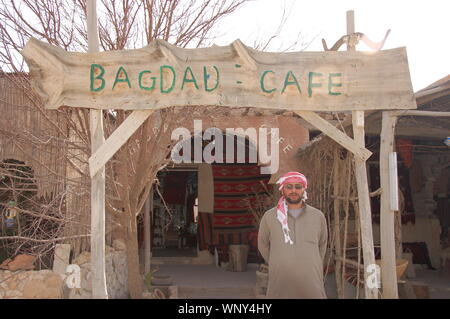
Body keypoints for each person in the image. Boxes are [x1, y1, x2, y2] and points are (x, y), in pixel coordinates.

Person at [257, 171, 328, 299]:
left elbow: (322, 246)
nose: (293, 191)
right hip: (281, 280)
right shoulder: (270, 217)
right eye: (289, 187)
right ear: (282, 190)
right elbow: (263, 245)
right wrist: (278, 261)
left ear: (304, 189)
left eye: (298, 186)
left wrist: (310, 262)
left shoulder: (318, 216)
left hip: (311, 280)